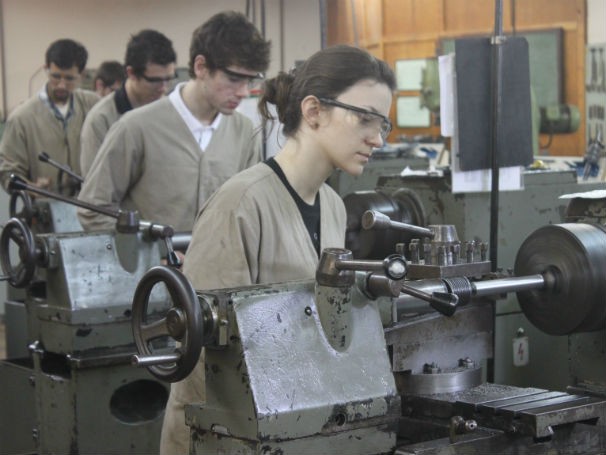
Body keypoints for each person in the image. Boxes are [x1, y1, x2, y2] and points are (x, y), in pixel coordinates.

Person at [160, 44, 396, 455]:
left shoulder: (333, 207)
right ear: (313, 111)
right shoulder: (242, 203)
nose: (376, 139)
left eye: (384, 125)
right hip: (223, 434)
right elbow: (204, 357)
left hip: (291, 423)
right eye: (364, 119)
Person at [77, 11, 270, 232]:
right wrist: (149, 254)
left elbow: (250, 212)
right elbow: (93, 210)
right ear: (201, 67)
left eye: (250, 80)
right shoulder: (135, 128)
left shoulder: (244, 132)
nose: (244, 92)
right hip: (152, 267)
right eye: (234, 79)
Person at [0, 39, 99, 194]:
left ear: (81, 74)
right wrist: (30, 187)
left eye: (69, 78)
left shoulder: (93, 106)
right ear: (46, 69)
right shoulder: (21, 118)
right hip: (43, 210)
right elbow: (8, 174)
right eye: (55, 76)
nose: (61, 85)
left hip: (88, 207)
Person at [80, 30, 177, 177]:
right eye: (154, 81)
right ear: (131, 73)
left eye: (168, 79)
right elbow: (94, 187)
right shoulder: (101, 119)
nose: (163, 88)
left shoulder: (171, 112)